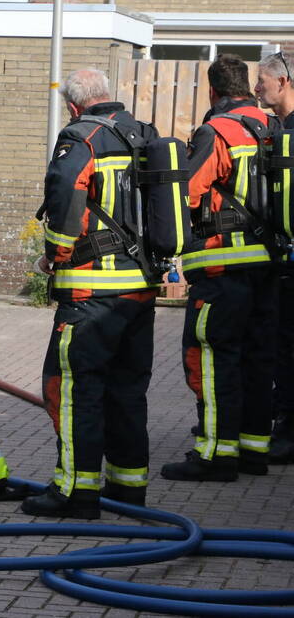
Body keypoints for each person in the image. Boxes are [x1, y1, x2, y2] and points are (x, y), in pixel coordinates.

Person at [24, 68, 159, 519]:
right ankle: (128, 490)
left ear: (74, 105)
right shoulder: (143, 134)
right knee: (127, 390)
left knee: (72, 389)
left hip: (90, 293)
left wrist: (56, 255)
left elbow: (65, 192)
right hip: (139, 291)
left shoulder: (80, 138)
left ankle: (75, 493)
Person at [161, 54, 278, 481]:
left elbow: (187, 195)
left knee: (212, 357)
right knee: (257, 359)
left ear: (213, 92)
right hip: (269, 267)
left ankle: (214, 456)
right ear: (247, 87)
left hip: (221, 268)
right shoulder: (274, 130)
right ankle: (253, 452)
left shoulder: (217, 132)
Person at [254, 50, 294, 463]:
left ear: (283, 82)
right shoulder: (277, 128)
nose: (256, 88)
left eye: (262, 81)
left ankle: (289, 430)